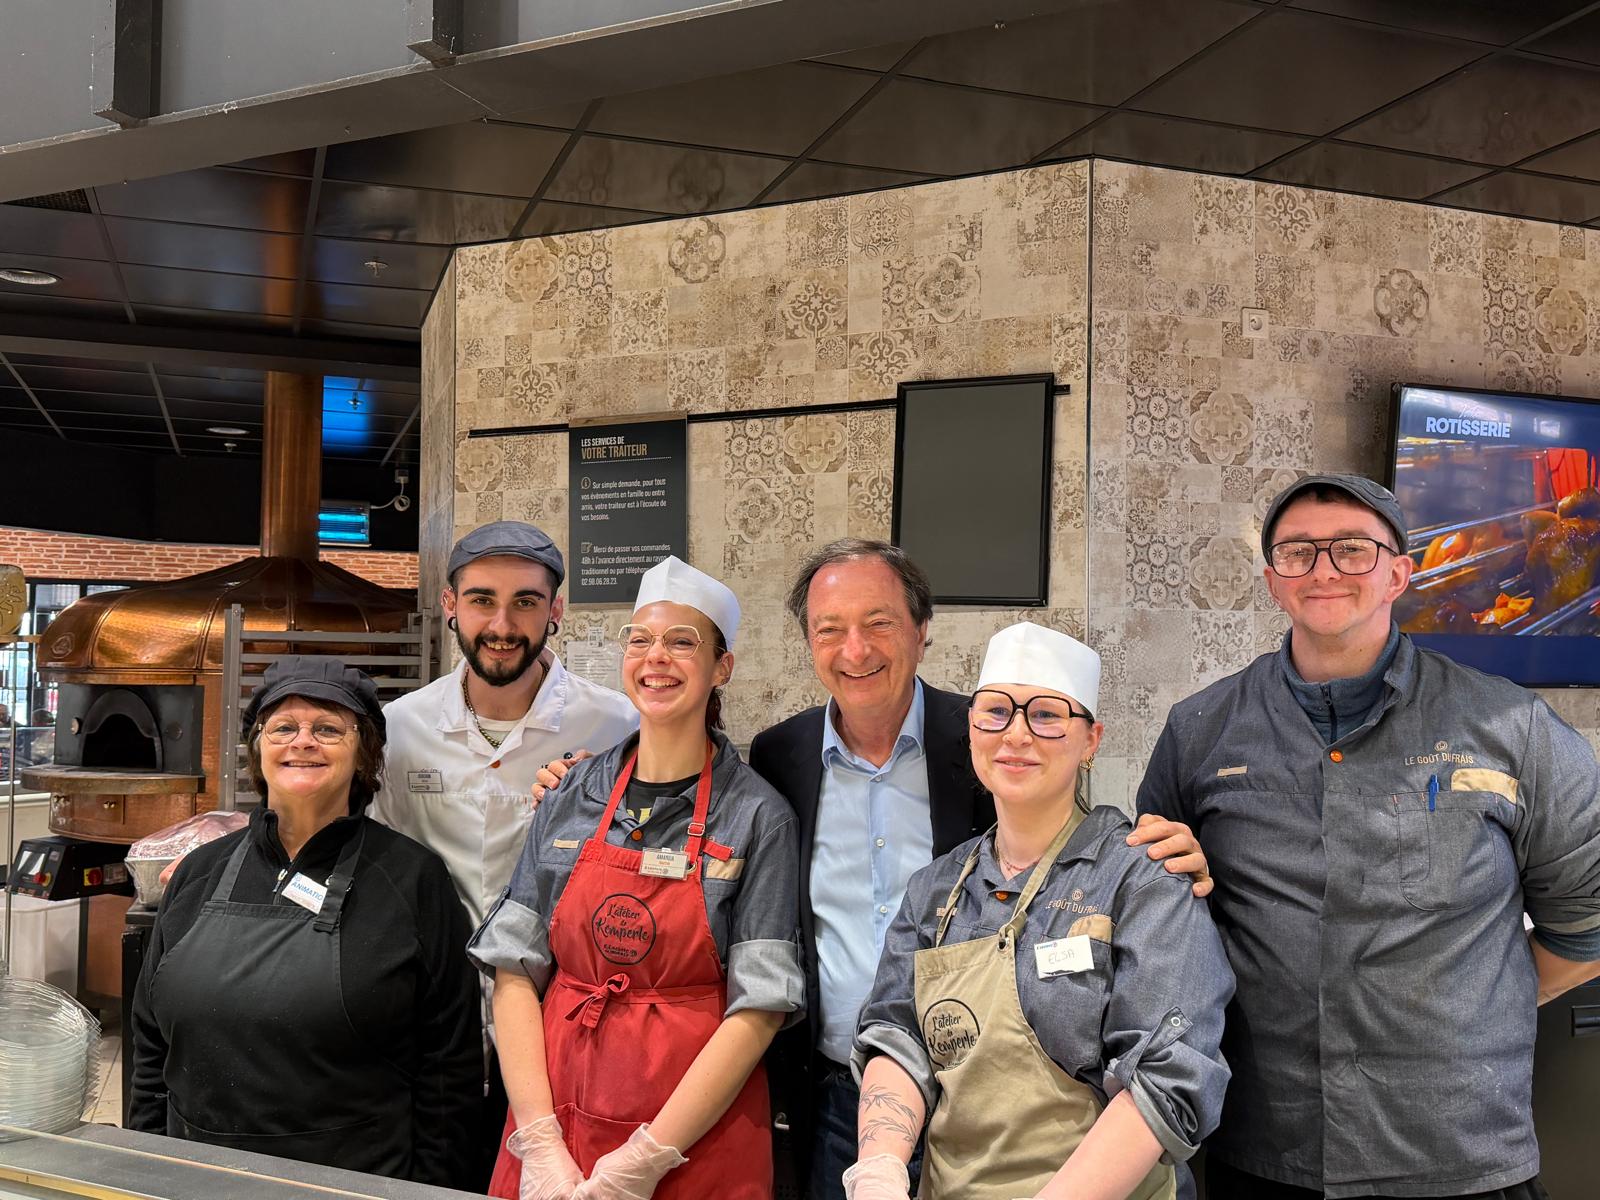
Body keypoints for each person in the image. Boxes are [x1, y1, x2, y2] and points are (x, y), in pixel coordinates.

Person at [537, 538, 1209, 1200]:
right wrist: (582, 791)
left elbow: (1063, 844)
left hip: (1001, 1107)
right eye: (830, 630)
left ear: (922, 632)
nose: (854, 651)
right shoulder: (780, 758)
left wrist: (1158, 850)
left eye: (878, 624)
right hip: (843, 1096)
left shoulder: (982, 741)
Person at [1137, 473, 1600, 1200]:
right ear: (1272, 582)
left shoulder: (1514, 730)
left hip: (1460, 1154)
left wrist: (1471, 1006)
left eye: (1352, 548)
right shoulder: (1199, 731)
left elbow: (1586, 928)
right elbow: (1164, 929)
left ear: (1399, 574)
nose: (1323, 569)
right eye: (1298, 552)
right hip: (1267, 1151)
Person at [848, 622, 1232, 1200]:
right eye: (996, 711)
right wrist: (879, 1166)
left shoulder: (1144, 877)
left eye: (1048, 714)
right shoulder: (934, 890)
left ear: (1091, 739)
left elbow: (1167, 1075)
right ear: (972, 729)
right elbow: (897, 1035)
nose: (1017, 735)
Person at [469, 555, 803, 1200]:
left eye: (684, 643)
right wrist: (538, 1143)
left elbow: (760, 1007)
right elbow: (513, 965)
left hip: (692, 1136)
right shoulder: (571, 794)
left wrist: (644, 1161)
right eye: (641, 640)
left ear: (721, 668)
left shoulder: (759, 815)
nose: (657, 658)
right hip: (556, 1112)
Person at [128, 656, 482, 1187]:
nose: (303, 742)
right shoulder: (202, 871)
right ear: (258, 748)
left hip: (356, 1182)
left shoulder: (412, 880)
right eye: (284, 727)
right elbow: (150, 1043)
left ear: (364, 754)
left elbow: (448, 1070)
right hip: (195, 1177)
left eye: (328, 729)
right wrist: (146, 1169)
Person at [373, 520, 637, 1186]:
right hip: (437, 1024)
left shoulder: (616, 726)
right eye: (483, 599)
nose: (502, 622)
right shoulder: (402, 728)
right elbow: (380, 865)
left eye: (525, 601)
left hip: (567, 1020)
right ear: (450, 603)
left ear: (556, 610)